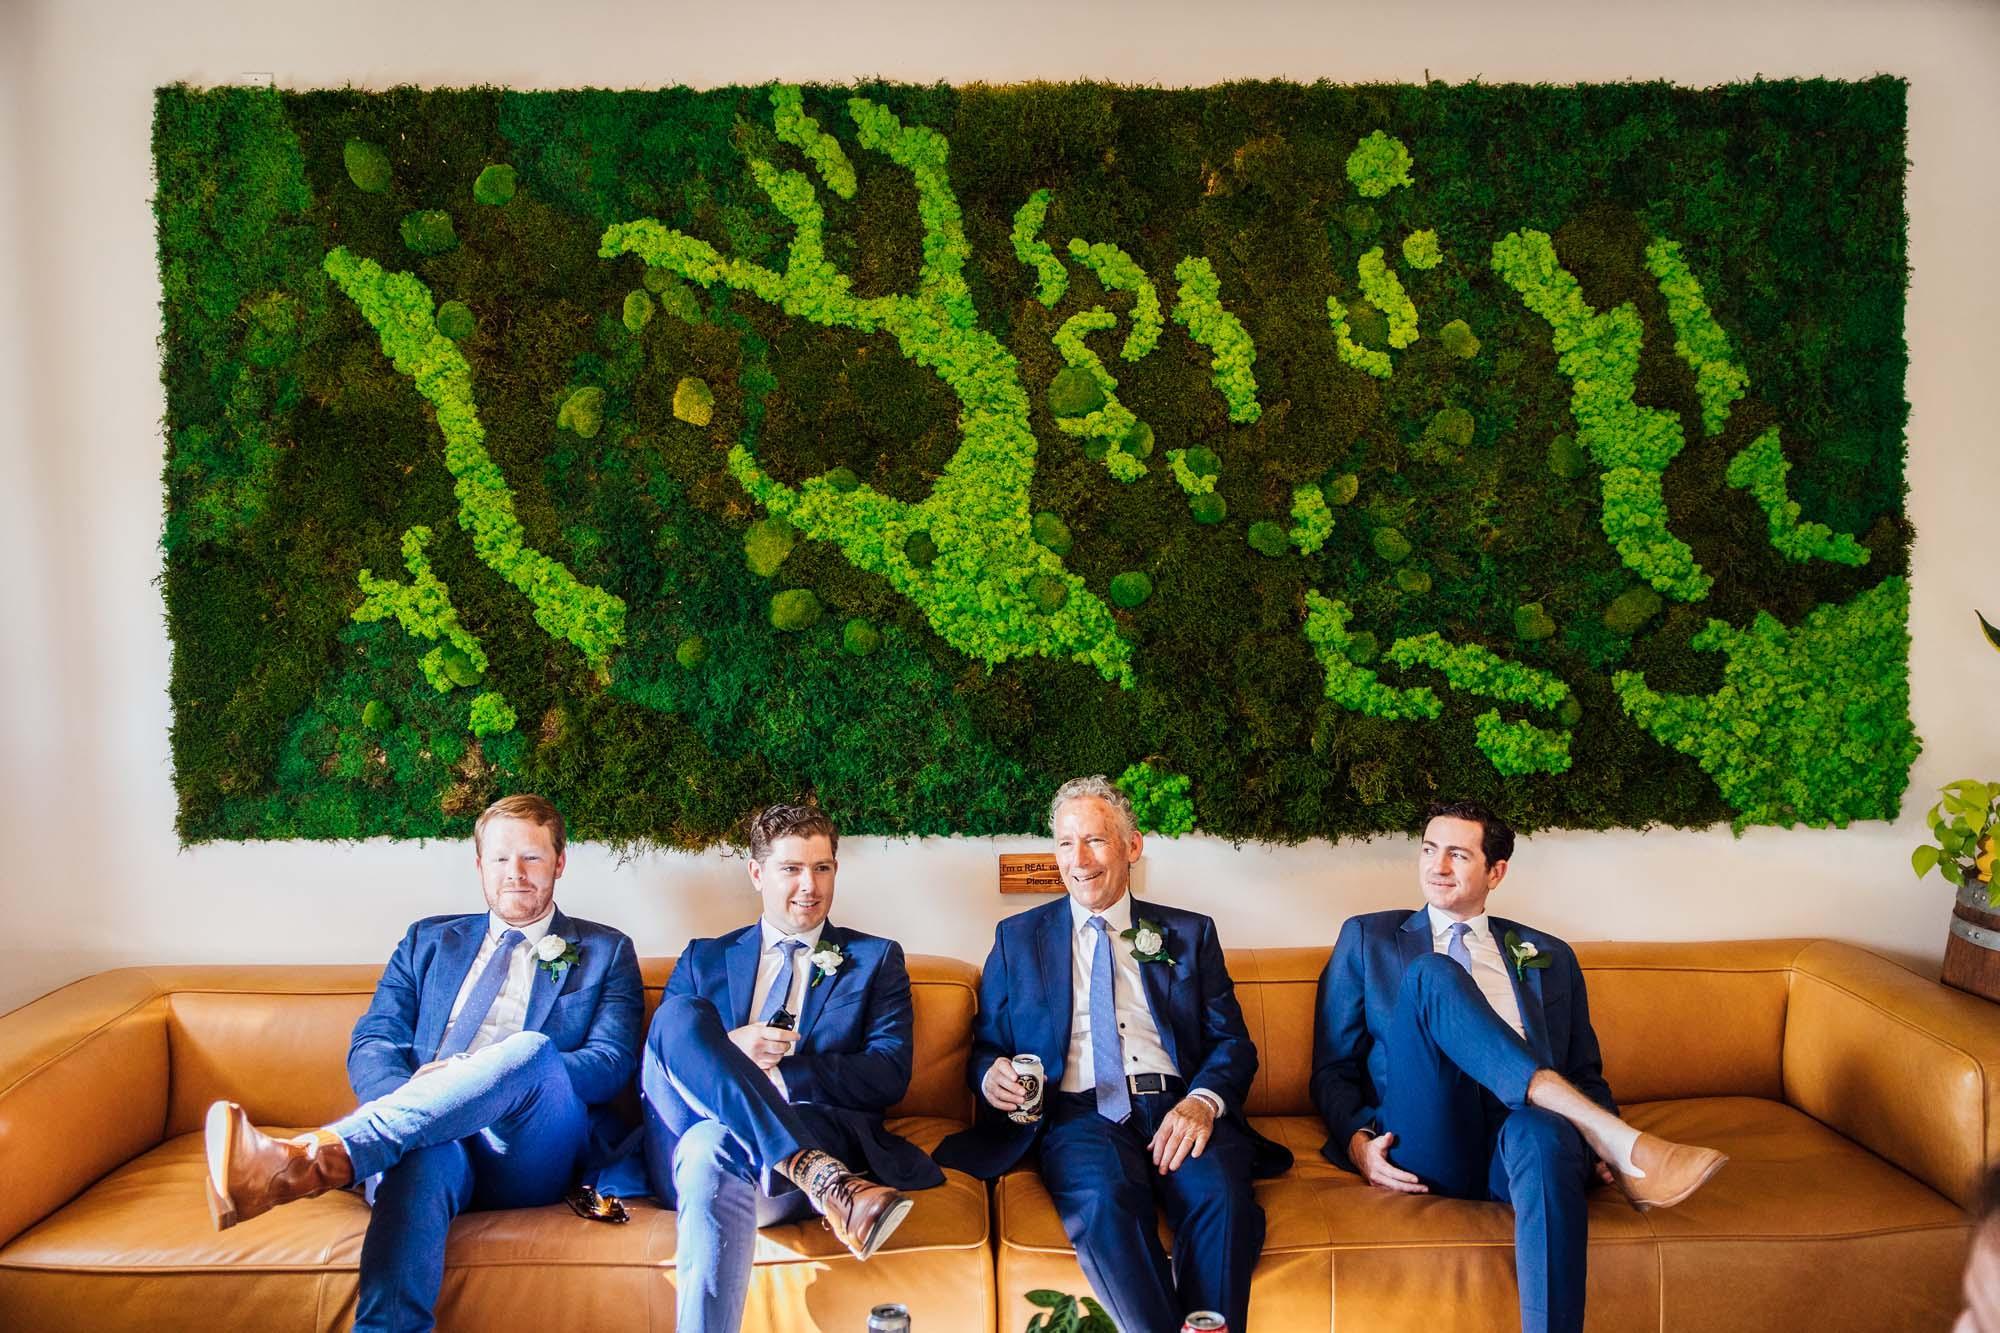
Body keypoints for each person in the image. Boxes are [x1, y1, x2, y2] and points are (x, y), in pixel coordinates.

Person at [201, 793, 644, 1333]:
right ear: (480, 866)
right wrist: (419, 1098)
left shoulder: (605, 950)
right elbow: (374, 1041)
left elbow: (610, 1062)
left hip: (529, 1146)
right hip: (431, 1139)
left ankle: (315, 1158)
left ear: (560, 862)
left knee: (531, 1049)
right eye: (501, 858)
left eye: (532, 857)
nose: (516, 872)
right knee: (421, 1152)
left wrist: (474, 1074)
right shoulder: (427, 941)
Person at [1311, 799, 1728, 1333]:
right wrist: (1357, 1143)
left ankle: (1597, 1141)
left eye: (1459, 855)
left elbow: (1585, 1070)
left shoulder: (1549, 955)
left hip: (1519, 1144)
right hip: (1427, 1134)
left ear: (1496, 872)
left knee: (1542, 1132)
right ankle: (1618, 1141)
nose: (1437, 867)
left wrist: (1591, 1137)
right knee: (1432, 974)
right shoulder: (1369, 939)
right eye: (1429, 850)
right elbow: (1333, 1069)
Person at [936, 776, 1291, 1333]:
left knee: (1222, 1200)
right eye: (1065, 843)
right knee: (1104, 1201)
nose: (1078, 860)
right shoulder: (1017, 938)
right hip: (1078, 1115)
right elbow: (987, 1047)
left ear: (1132, 847)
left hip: (1179, 1105)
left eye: (1096, 840)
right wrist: (990, 1077)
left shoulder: (1189, 933)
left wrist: (1202, 1103)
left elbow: (1232, 1044)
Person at [611, 802, 940, 1333]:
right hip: (683, 1131)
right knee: (679, 1015)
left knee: (711, 1147)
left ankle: (804, 1163)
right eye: (791, 869)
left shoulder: (875, 959)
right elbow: (663, 1060)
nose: (809, 886)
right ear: (757, 873)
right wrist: (732, 1049)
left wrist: (784, 1075)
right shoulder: (702, 957)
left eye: (822, 868)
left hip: (779, 1146)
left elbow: (888, 1074)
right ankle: (820, 1175)